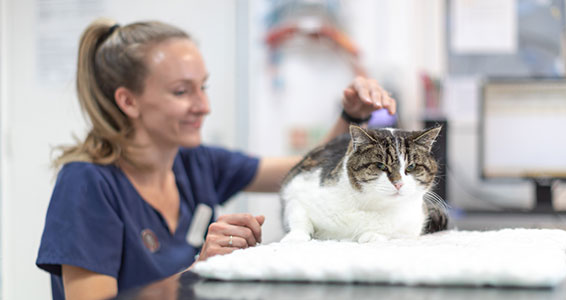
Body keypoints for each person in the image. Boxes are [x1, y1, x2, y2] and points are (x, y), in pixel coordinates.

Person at [35, 18, 396, 300]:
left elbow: (310, 170)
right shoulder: (86, 184)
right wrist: (199, 269)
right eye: (181, 92)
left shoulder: (196, 162)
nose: (204, 106)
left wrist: (351, 117)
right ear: (128, 101)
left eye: (203, 87)